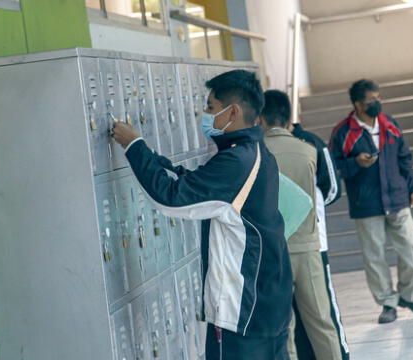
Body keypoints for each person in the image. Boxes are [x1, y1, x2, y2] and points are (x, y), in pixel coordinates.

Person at [112, 70, 293, 359]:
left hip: (242, 310)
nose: (205, 115)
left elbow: (172, 198)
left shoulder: (237, 161)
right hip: (268, 301)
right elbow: (198, 183)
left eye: (210, 107)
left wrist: (134, 146)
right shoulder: (253, 152)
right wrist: (152, 156)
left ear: (232, 111)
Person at [329, 79, 413, 324]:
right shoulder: (343, 132)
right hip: (366, 204)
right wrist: (356, 163)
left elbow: (405, 157)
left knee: (412, 245)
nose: (378, 103)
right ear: (358, 105)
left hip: (397, 198)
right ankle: (387, 303)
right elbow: (333, 166)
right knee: (374, 255)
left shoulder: (390, 125)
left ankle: (409, 294)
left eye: (379, 98)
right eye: (372, 100)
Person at [261, 89, 345, 360]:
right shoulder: (309, 150)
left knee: (285, 326)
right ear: (288, 120)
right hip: (309, 248)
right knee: (322, 321)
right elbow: (328, 191)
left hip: (273, 251)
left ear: (260, 118)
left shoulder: (256, 153)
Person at [292, 111, 349, 360]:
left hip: (315, 243)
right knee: (301, 313)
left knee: (323, 310)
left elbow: (332, 189)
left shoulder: (311, 142)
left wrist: (309, 211)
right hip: (293, 243)